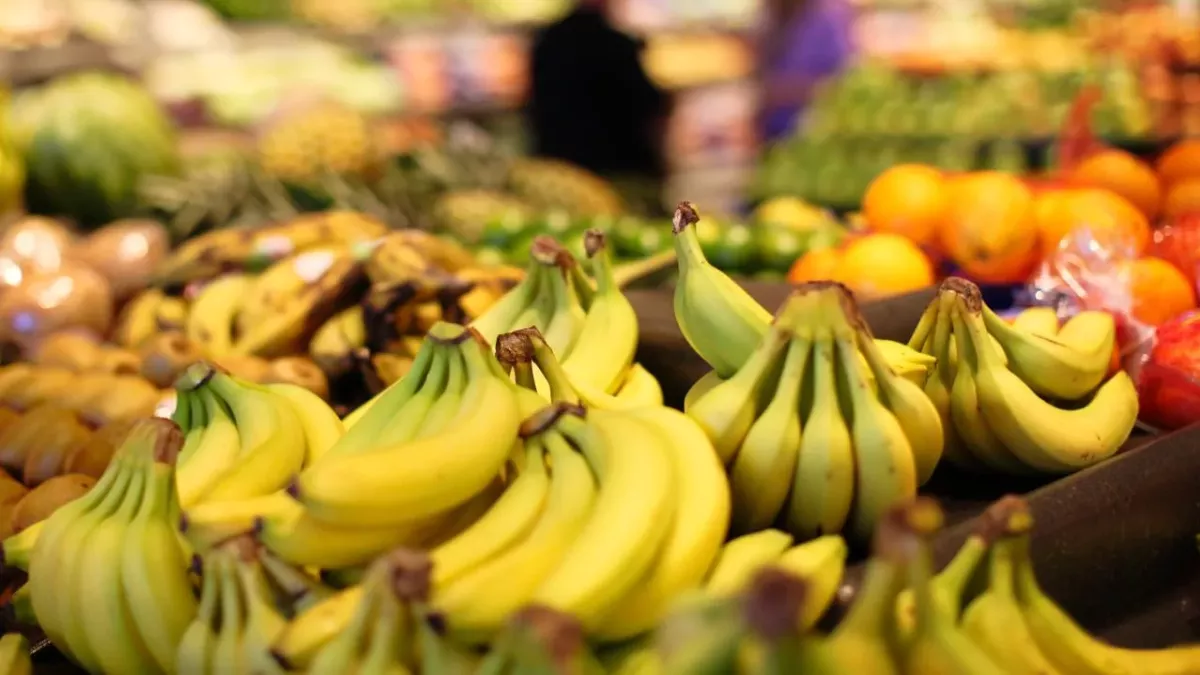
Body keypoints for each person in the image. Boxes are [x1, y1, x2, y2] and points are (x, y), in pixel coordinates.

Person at [527, 0, 670, 188]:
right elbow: (648, 105)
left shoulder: (546, 41)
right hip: (617, 168)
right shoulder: (615, 45)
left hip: (562, 166)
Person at [761, 0, 856, 141]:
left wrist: (778, 92)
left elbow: (842, 84)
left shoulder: (830, 15)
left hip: (811, 132)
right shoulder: (780, 13)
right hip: (775, 133)